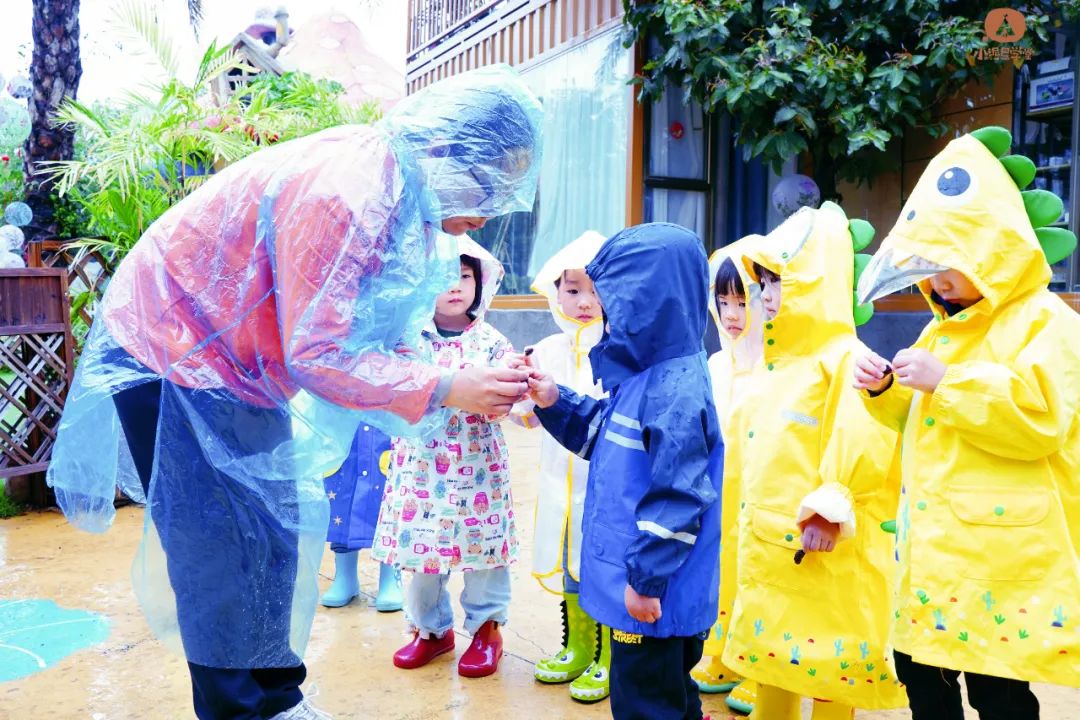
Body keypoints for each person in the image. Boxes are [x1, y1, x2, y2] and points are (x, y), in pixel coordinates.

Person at [46, 64, 542, 720]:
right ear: (446, 149)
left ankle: (277, 697)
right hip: (175, 353)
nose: (478, 216)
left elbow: (369, 322)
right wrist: (449, 385)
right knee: (219, 548)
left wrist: (448, 375)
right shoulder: (353, 190)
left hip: (240, 365)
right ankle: (238, 709)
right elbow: (320, 351)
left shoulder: (399, 190)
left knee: (273, 531)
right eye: (485, 188)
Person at [853, 126, 1080, 720]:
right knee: (919, 669)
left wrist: (947, 381)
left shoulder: (1046, 322)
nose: (936, 280)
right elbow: (926, 421)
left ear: (994, 246)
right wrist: (887, 394)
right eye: (927, 264)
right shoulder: (941, 329)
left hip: (996, 557)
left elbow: (1041, 417)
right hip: (937, 554)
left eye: (949, 262)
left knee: (997, 688)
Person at [524, 223, 723, 720]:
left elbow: (678, 497)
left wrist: (646, 580)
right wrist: (553, 399)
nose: (604, 311)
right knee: (669, 695)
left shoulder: (674, 390)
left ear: (649, 301)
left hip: (653, 594)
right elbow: (603, 437)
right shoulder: (645, 374)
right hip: (644, 582)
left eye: (613, 298)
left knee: (644, 703)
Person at [719, 203, 906, 720]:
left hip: (821, 543)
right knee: (774, 653)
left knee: (829, 655)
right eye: (767, 285)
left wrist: (830, 504)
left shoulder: (844, 358)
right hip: (772, 540)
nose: (769, 298)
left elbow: (863, 437)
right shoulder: (774, 363)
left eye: (780, 283)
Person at [375, 238, 519, 679]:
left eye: (464, 276)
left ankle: (486, 629)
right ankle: (431, 631)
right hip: (421, 468)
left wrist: (508, 392)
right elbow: (393, 389)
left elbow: (506, 395)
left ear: (480, 280)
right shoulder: (407, 340)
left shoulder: (493, 342)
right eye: (441, 278)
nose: (455, 287)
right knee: (420, 555)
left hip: (479, 468)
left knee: (485, 555)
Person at [510, 230, 611, 702]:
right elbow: (528, 418)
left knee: (603, 566)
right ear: (554, 292)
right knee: (570, 561)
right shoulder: (547, 349)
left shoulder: (618, 347)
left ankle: (609, 658)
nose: (585, 301)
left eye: (596, 289)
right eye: (573, 290)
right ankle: (576, 647)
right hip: (559, 481)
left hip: (606, 484)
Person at [691, 243, 764, 715]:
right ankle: (722, 649)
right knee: (720, 570)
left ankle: (760, 665)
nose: (732, 314)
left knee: (758, 572)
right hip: (719, 493)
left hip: (761, 494)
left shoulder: (776, 367)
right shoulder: (716, 364)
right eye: (724, 302)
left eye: (744, 301)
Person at [319, 423, 403, 611]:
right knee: (343, 502)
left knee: (386, 502)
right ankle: (345, 576)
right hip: (346, 423)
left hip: (386, 423)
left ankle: (391, 577)